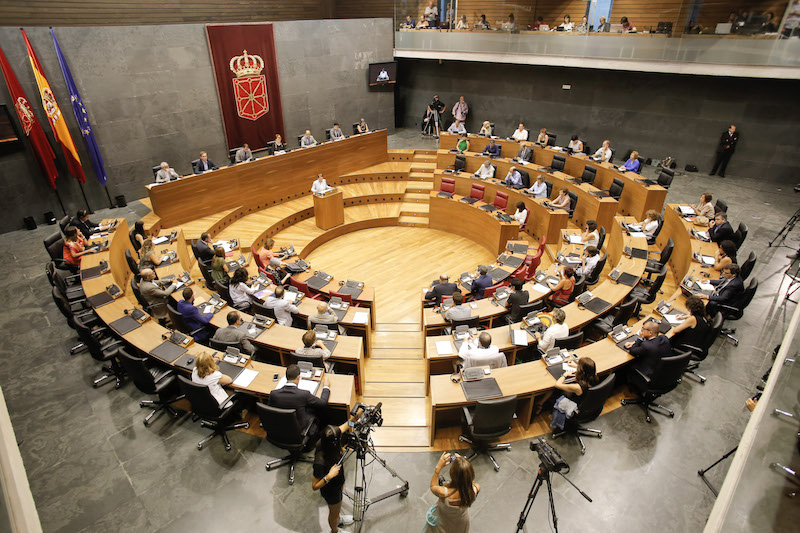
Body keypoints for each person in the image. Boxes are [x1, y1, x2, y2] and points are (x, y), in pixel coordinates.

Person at [311, 406, 364, 533]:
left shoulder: (329, 437)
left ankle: (338, 518)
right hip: (330, 489)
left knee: (337, 507)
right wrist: (329, 475)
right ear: (334, 443)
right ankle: (335, 529)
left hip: (338, 481)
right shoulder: (320, 461)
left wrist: (357, 417)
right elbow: (315, 486)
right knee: (333, 512)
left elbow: (348, 424)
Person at [425, 453, 480, 533]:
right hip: (461, 524)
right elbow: (473, 483)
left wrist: (438, 468)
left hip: (443, 523)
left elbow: (433, 486)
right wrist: (465, 469)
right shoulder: (474, 490)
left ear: (452, 474)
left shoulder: (444, 493)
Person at [269, 364, 331, 435]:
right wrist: (326, 387)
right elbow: (323, 403)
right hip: (298, 431)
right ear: (298, 377)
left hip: (280, 430)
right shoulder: (303, 394)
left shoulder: (273, 394)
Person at [550, 357, 599, 430]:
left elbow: (557, 385)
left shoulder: (578, 387)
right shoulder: (594, 377)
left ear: (581, 371)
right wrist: (576, 366)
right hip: (590, 407)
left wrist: (565, 375)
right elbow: (587, 370)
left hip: (576, 409)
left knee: (556, 392)